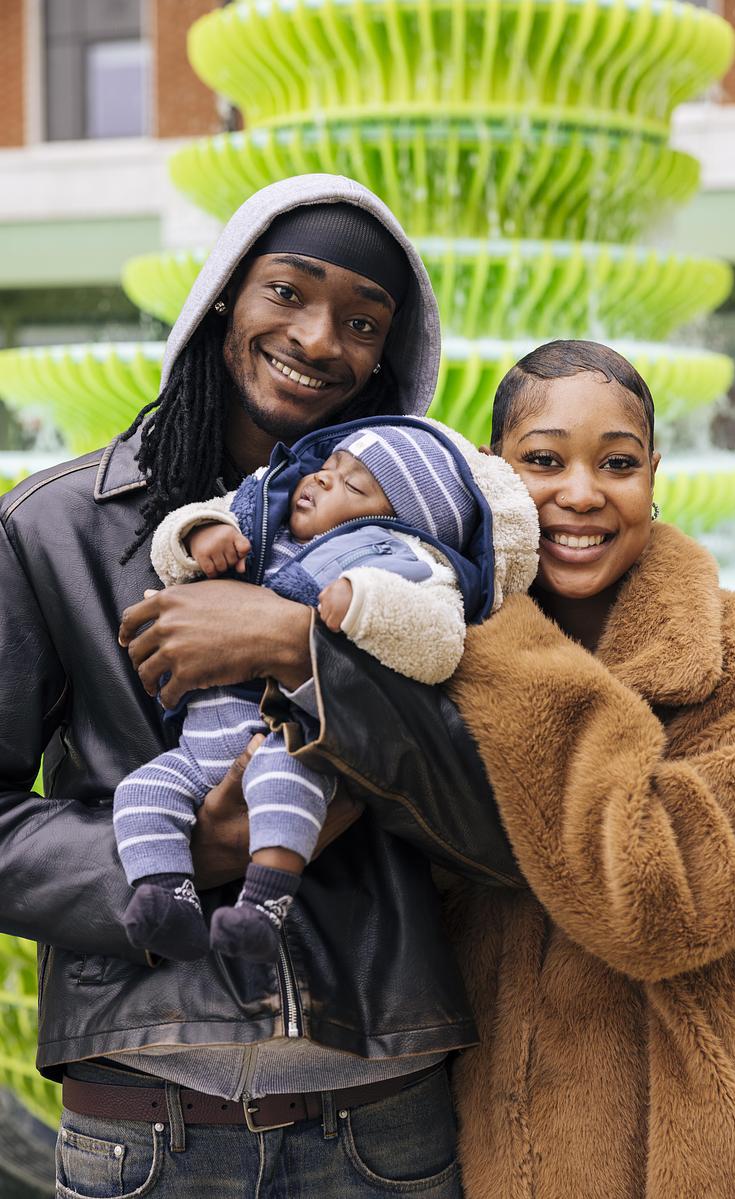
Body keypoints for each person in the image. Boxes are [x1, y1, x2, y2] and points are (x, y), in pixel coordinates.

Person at [0, 175, 514, 1198]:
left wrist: (296, 644)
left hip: (385, 1117)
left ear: (386, 354)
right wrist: (192, 849)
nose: (320, 338)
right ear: (227, 295)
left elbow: (498, 818)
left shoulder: (435, 560)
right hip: (144, 1123)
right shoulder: (53, 529)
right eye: (289, 291)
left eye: (361, 321)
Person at [296, 339, 735, 1198]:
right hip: (487, 1162)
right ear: (491, 471)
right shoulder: (420, 652)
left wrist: (502, 645)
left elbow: (665, 903)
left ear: (654, 475)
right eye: (543, 459)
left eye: (618, 463)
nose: (580, 492)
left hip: (703, 1167)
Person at [114, 416, 537, 963]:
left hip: (286, 734)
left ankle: (263, 906)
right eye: (327, 467)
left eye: (352, 485)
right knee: (141, 793)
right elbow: (177, 547)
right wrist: (199, 535)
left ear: (399, 524)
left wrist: (359, 604)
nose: (319, 481)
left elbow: (435, 642)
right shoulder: (266, 521)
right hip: (197, 743)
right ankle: (168, 901)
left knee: (282, 782)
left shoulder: (406, 564)